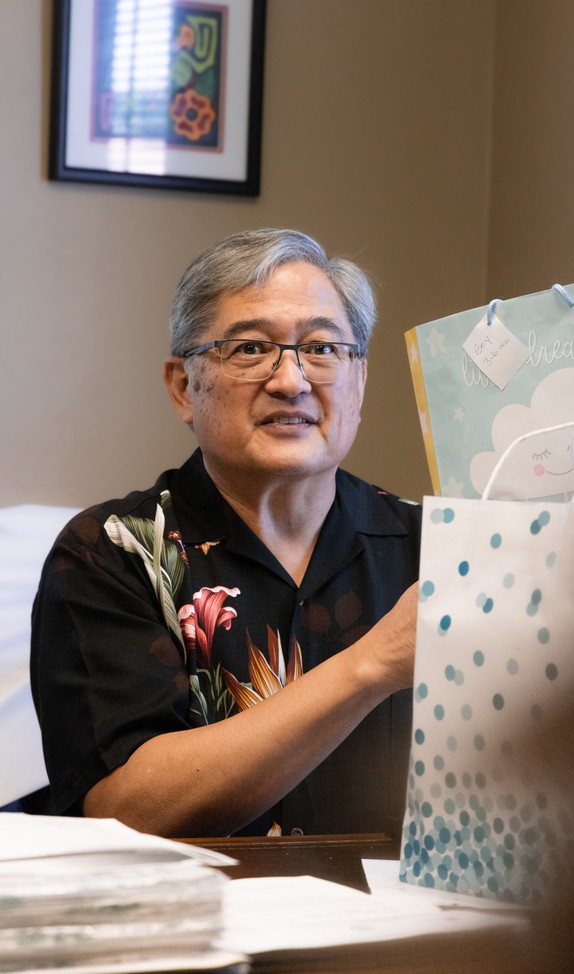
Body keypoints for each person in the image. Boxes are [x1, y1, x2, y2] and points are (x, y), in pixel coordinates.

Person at [30, 228, 421, 839]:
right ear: (184, 387)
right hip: (195, 927)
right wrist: (372, 665)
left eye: (321, 349)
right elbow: (126, 813)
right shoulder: (113, 553)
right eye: (249, 349)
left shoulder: (437, 550)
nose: (292, 381)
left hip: (418, 926)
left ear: (359, 381)